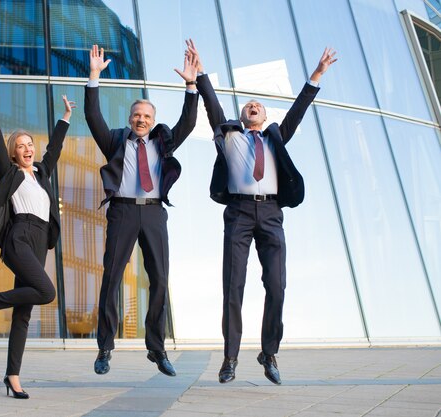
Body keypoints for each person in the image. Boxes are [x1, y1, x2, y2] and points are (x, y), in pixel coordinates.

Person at [186, 39, 337, 385]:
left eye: (258, 105)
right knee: (233, 286)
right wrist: (202, 72)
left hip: (271, 214)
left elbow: (298, 110)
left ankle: (269, 353)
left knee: (277, 285)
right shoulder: (229, 135)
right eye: (248, 105)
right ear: (241, 117)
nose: (253, 106)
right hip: (238, 213)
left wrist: (316, 74)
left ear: (266, 117)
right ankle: (230, 358)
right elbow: (211, 104)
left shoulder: (275, 138)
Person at [85, 44, 199, 377]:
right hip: (121, 212)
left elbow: (189, 122)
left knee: (160, 278)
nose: (141, 120)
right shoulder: (115, 141)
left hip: (153, 213)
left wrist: (191, 87)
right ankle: (105, 348)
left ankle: (157, 348)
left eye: (147, 116)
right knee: (112, 277)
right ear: (130, 117)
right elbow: (93, 116)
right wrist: (94, 77)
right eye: (137, 115)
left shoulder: (163, 142)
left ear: (153, 120)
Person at [0, 80, 75, 399]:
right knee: (47, 291)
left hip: (40, 240)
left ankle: (12, 376)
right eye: (21, 145)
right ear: (14, 153)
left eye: (30, 144)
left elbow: (55, 149)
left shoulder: (41, 174)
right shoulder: (10, 173)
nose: (27, 148)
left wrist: (65, 118)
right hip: (19, 238)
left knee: (25, 311)